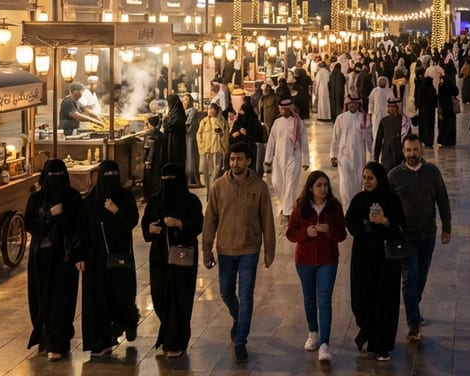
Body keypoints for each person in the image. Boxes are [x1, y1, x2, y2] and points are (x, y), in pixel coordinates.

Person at [201, 142, 278, 363]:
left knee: (246, 295)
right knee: (226, 292)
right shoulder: (218, 186)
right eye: (232, 159)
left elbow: (267, 221)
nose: (235, 164)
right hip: (225, 249)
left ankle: (241, 340)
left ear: (248, 161)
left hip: (249, 249)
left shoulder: (259, 187)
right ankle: (239, 318)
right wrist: (207, 248)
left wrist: (269, 250)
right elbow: (210, 220)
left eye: (239, 159)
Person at [387, 135, 452, 342]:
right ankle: (413, 323)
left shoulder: (432, 172)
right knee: (410, 276)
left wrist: (446, 228)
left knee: (421, 276)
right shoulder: (395, 176)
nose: (412, 154)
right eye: (408, 150)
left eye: (415, 150)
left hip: (428, 234)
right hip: (406, 236)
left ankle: (414, 306)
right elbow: (388, 205)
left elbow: (442, 198)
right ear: (403, 151)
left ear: (421, 150)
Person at [141, 162, 204, 358]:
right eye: (164, 179)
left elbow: (198, 225)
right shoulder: (154, 202)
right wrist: (151, 229)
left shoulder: (190, 201)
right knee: (160, 296)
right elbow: (145, 226)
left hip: (183, 257)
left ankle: (176, 340)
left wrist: (180, 224)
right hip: (159, 257)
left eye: (171, 180)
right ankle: (168, 333)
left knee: (181, 298)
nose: (167, 184)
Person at [78, 159, 140, 357]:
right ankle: (101, 340)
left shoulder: (125, 197)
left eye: (114, 176)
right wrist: (79, 256)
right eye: (107, 176)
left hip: (120, 256)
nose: (110, 181)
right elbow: (82, 231)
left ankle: (126, 323)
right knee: (99, 298)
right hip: (96, 259)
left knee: (121, 295)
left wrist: (117, 211)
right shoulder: (89, 202)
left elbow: (132, 221)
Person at [346, 161, 406, 361]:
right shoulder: (359, 200)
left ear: (379, 179)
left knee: (385, 302)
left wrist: (384, 221)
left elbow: (400, 227)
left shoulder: (391, 199)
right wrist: (367, 226)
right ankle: (367, 331)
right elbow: (351, 223)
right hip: (363, 259)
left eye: (370, 178)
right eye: (364, 178)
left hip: (386, 261)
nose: (366, 182)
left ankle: (381, 346)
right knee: (362, 300)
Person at [286, 170, 348, 363]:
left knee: (324, 299)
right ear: (311, 188)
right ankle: (313, 332)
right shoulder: (301, 206)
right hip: (304, 261)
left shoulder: (334, 207)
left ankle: (324, 343)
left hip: (327, 260)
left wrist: (329, 232)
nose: (323, 189)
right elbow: (291, 233)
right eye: (319, 185)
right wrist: (306, 233)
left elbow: (342, 234)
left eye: (325, 185)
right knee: (309, 298)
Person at [25, 159, 83, 361]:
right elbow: (30, 224)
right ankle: (46, 338)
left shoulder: (73, 198)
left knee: (62, 300)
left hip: (65, 258)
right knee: (43, 299)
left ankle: (58, 341)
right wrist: (49, 215)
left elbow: (79, 227)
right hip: (42, 259)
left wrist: (79, 255)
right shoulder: (37, 199)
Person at [265, 99, 309, 219]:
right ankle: (287, 205)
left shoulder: (298, 122)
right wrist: (268, 158)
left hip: (293, 157)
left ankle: (288, 212)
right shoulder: (277, 122)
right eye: (280, 109)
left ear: (289, 109)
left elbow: (304, 142)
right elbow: (271, 141)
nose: (281, 111)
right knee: (276, 183)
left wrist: (306, 160)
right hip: (278, 158)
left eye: (283, 109)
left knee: (290, 184)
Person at [330, 95, 373, 206]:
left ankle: (356, 208)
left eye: (355, 103)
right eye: (350, 103)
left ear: (358, 104)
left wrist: (369, 158)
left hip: (360, 156)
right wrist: (333, 155)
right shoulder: (341, 118)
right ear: (347, 104)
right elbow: (335, 137)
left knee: (359, 183)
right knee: (345, 185)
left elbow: (368, 140)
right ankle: (346, 210)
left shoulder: (365, 118)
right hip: (344, 156)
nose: (352, 105)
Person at [373, 97, 411, 172]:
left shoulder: (405, 122)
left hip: (400, 157)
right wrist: (376, 158)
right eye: (389, 107)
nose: (391, 109)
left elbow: (409, 141)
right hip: (387, 157)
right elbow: (378, 140)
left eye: (393, 107)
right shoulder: (384, 121)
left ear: (398, 107)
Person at [196, 102, 227, 190]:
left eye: (211, 109)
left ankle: (212, 186)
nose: (209, 110)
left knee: (216, 169)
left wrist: (221, 134)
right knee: (206, 171)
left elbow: (225, 134)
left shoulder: (222, 121)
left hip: (218, 148)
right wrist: (201, 145)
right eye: (209, 109)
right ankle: (209, 189)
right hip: (207, 149)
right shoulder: (204, 121)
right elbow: (199, 134)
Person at [162, 92, 188, 171]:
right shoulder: (175, 113)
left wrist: (165, 119)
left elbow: (169, 126)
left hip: (176, 143)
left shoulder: (177, 115)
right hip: (173, 142)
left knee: (176, 163)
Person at [435, 68, 459, 147]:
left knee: (443, 124)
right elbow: (456, 91)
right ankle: (450, 140)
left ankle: (443, 140)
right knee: (450, 124)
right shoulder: (449, 81)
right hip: (450, 106)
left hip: (442, 106)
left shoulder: (439, 83)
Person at [182, 94, 202, 187]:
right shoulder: (184, 111)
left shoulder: (193, 111)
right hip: (185, 136)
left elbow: (189, 124)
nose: (184, 101)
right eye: (183, 99)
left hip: (190, 136)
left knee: (191, 157)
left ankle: (192, 179)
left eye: (186, 99)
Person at [368, 76, 392, 145]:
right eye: (380, 81)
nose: (382, 82)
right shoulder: (375, 90)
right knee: (376, 130)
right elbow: (371, 102)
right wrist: (370, 112)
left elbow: (392, 102)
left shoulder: (389, 91)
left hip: (387, 114)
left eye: (383, 81)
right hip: (376, 114)